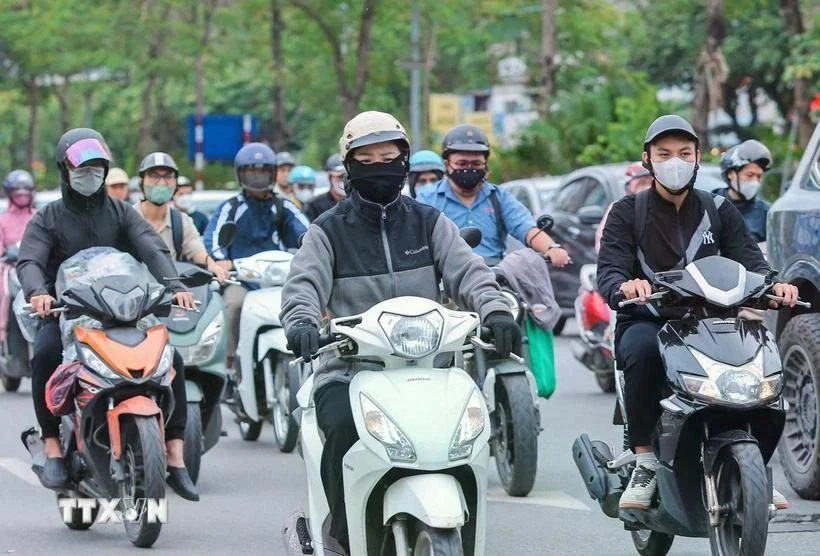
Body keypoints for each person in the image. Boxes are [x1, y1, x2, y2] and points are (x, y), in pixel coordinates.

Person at [280, 110, 519, 554]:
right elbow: (302, 287)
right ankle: (342, 536)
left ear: (404, 160)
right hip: (349, 369)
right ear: (349, 167)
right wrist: (302, 323)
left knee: (464, 435)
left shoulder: (429, 222)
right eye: (366, 159)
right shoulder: (327, 232)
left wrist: (496, 311)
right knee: (342, 431)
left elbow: (471, 275)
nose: (378, 167)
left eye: (387, 156)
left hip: (432, 366)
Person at [596, 114, 798, 511]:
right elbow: (611, 270)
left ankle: (756, 466)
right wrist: (625, 286)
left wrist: (774, 286)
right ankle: (645, 461)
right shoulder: (628, 211)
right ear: (648, 159)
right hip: (649, 319)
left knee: (762, 361)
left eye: (684, 153)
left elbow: (751, 261)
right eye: (664, 153)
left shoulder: (718, 208)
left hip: (713, 320)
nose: (675, 161)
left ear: (698, 158)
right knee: (643, 352)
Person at [16, 128, 201, 500]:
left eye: (98, 168)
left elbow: (151, 248)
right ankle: (52, 444)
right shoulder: (47, 218)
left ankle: (176, 456)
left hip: (121, 313)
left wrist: (176, 285)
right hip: (66, 315)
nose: (91, 175)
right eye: (83, 168)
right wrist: (38, 293)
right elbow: (30, 260)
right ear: (64, 171)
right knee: (47, 354)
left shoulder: (121, 213)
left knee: (171, 358)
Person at [204, 142, 308, 374]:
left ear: (272, 172)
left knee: (304, 305)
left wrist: (314, 253)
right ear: (240, 174)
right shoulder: (230, 208)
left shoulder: (284, 207)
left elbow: (308, 235)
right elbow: (213, 240)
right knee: (233, 306)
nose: (258, 177)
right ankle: (229, 365)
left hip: (278, 280)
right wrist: (221, 262)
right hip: (240, 280)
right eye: (251, 171)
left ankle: (308, 360)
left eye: (263, 171)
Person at [416, 124, 570, 267]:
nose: (469, 169)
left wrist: (551, 248)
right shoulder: (428, 199)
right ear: (447, 165)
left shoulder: (499, 197)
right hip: (445, 280)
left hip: (494, 280)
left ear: (485, 164)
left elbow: (525, 226)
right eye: (462, 164)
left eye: (476, 164)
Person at [133, 152, 229, 282]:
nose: (161, 182)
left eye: (168, 176)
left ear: (175, 183)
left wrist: (213, 266)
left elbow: (197, 249)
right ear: (141, 181)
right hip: (133, 293)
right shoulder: (128, 216)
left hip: (172, 293)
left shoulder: (181, 221)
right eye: (154, 176)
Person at [0, 170, 37, 343]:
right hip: (10, 273)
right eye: (17, 192)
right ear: (9, 194)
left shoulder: (39, 216)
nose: (22, 196)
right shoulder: (2, 220)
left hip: (37, 271)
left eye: (25, 192)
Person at [717, 140, 772, 244]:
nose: (755, 181)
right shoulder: (709, 205)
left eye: (759, 176)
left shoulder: (766, 213)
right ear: (731, 174)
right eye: (750, 175)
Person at [594, 162, 654, 254]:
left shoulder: (669, 207)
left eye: (650, 181)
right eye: (642, 183)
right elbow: (605, 247)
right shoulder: (619, 209)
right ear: (629, 188)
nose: (647, 187)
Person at [303, 154, 346, 221]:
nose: (344, 180)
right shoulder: (314, 205)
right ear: (330, 177)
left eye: (347, 176)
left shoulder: (358, 203)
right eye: (340, 176)